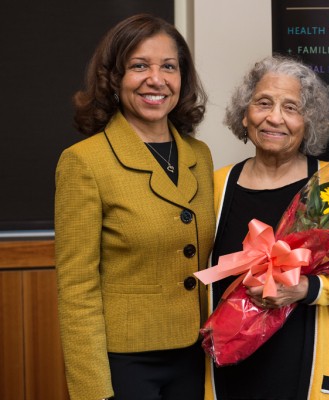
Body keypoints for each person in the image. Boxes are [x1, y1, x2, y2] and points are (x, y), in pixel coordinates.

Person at [54, 14, 215, 400]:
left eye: (169, 67)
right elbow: (77, 289)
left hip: (198, 355)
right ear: (114, 77)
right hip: (125, 364)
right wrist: (94, 391)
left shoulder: (199, 155)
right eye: (139, 66)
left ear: (182, 78)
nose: (156, 79)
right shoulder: (84, 162)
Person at [206, 55, 329, 400]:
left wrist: (306, 289)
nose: (274, 118)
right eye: (263, 103)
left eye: (291, 108)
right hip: (231, 374)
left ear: (307, 122)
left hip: (308, 367)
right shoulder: (215, 186)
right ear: (244, 113)